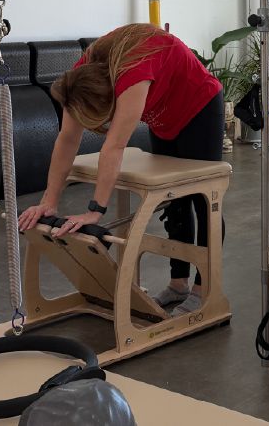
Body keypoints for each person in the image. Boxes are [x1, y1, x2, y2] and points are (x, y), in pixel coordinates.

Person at [18, 23, 224, 316]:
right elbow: (67, 139)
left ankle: (203, 291)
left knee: (202, 199)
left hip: (198, 104)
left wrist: (95, 210)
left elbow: (113, 147)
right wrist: (49, 201)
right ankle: (178, 284)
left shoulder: (132, 77)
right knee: (175, 200)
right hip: (163, 114)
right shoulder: (78, 79)